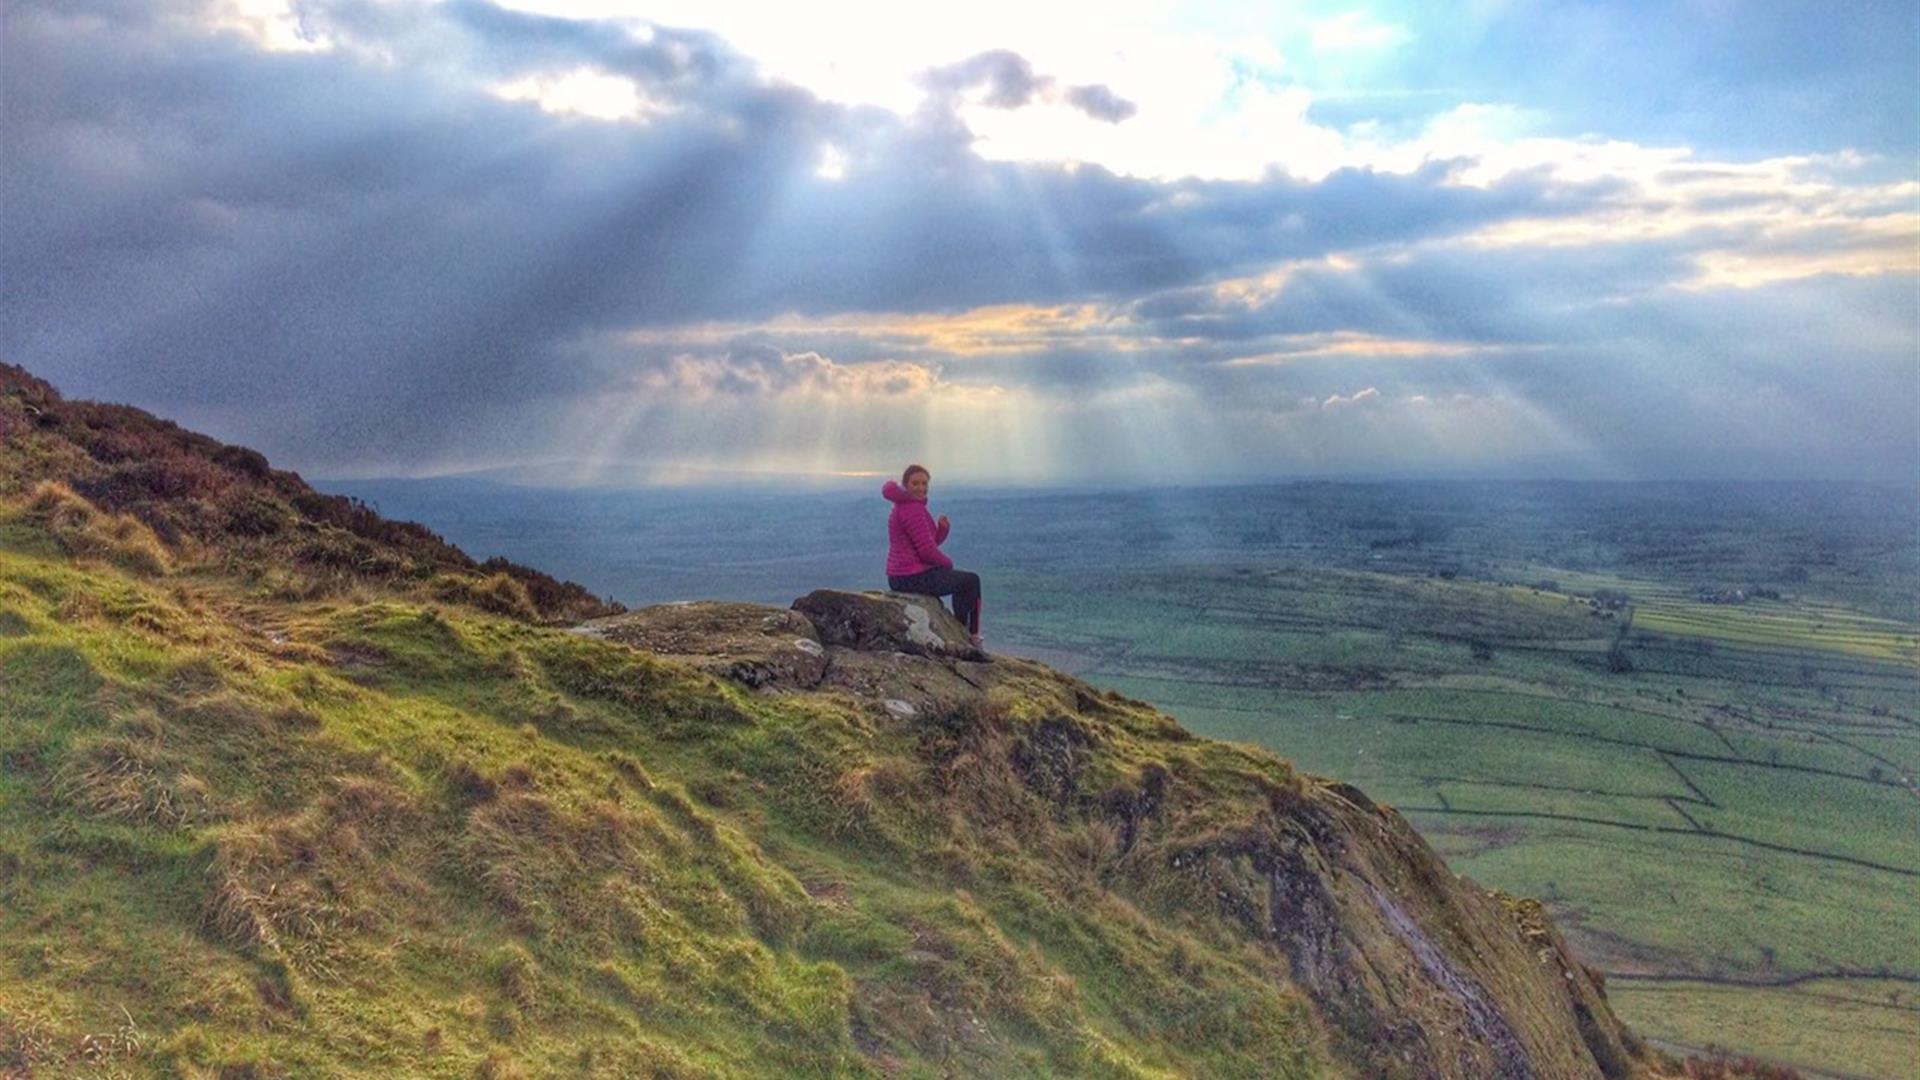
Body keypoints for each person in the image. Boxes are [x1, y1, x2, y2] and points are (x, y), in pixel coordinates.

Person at [882, 464, 983, 649]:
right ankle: (971, 635)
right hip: (910, 577)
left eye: (924, 483)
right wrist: (948, 564)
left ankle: (963, 632)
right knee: (971, 581)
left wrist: (942, 530)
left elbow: (926, 544)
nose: (921, 487)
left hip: (901, 577)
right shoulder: (912, 509)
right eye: (915, 483)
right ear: (906, 485)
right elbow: (927, 552)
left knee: (961, 579)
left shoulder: (904, 505)